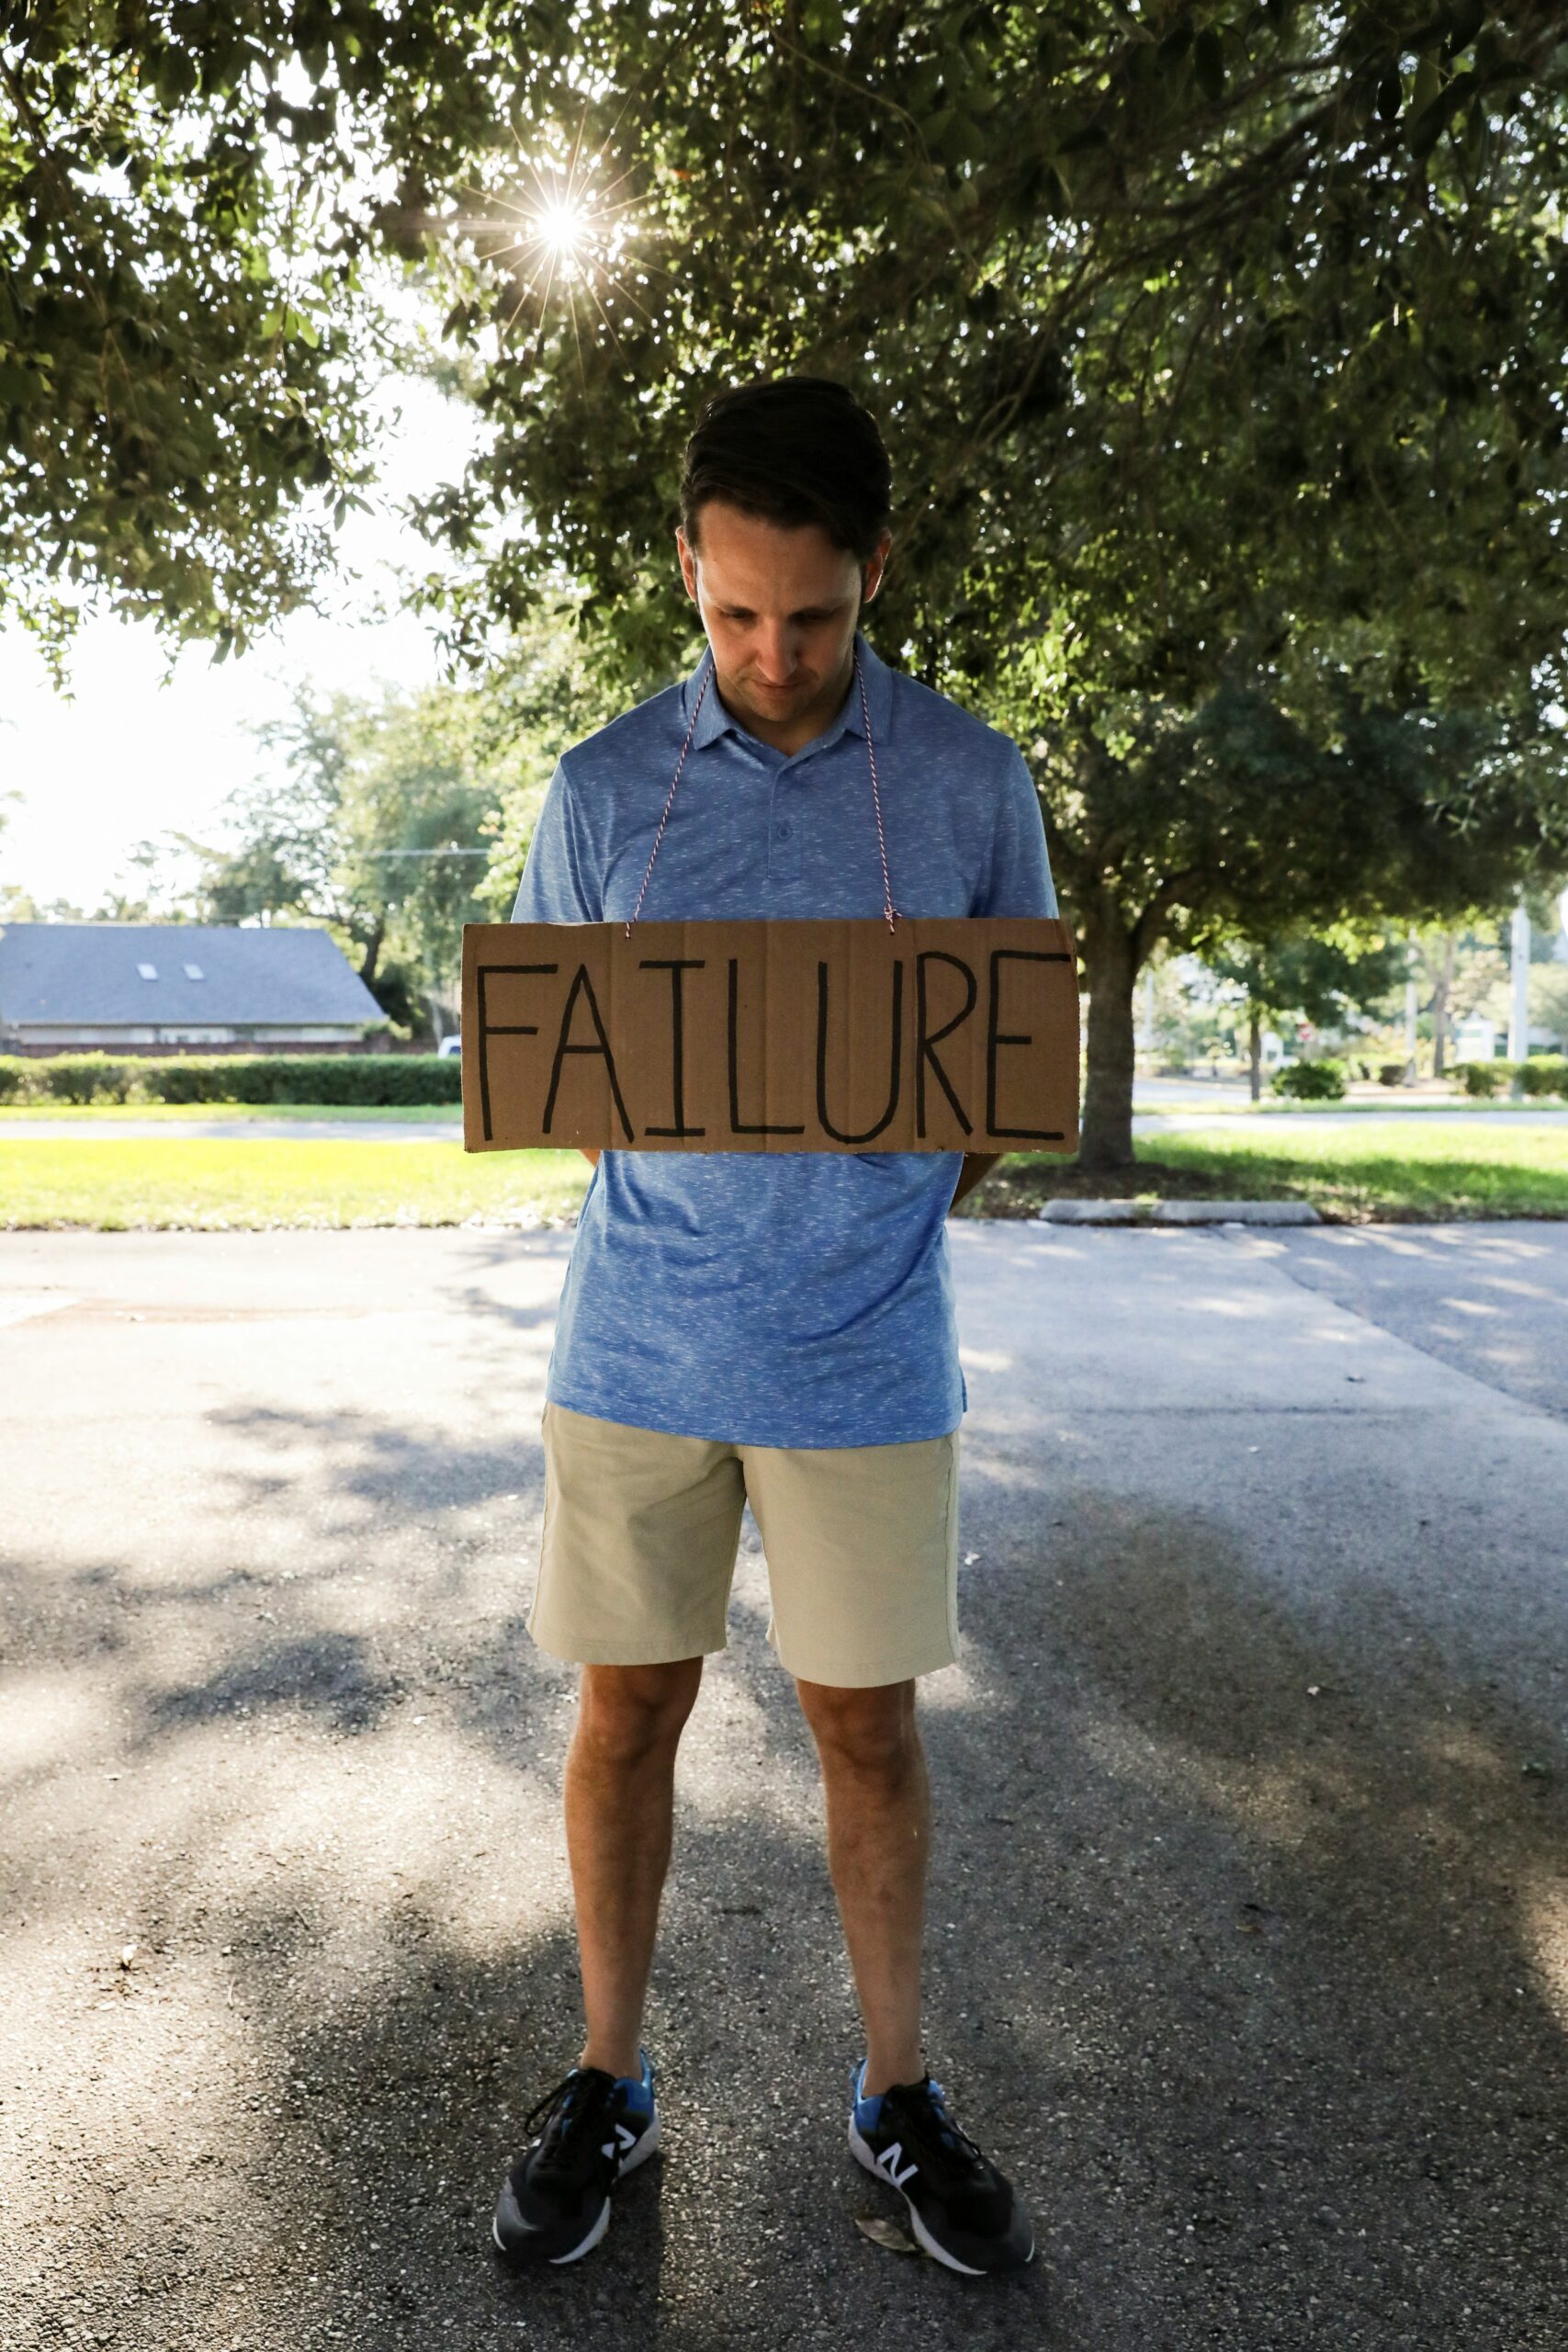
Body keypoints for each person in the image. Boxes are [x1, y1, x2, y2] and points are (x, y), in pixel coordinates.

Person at [491, 376, 1056, 2278]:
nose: (769, 652)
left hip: (864, 1357)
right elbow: (563, 1078)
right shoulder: (593, 792)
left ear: (872, 571)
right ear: (687, 570)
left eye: (808, 615)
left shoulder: (974, 786)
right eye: (732, 612)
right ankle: (604, 2078)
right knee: (623, 1708)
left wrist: (862, 1223)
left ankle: (897, 2093)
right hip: (636, 1347)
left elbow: (994, 1085)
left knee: (863, 1726)